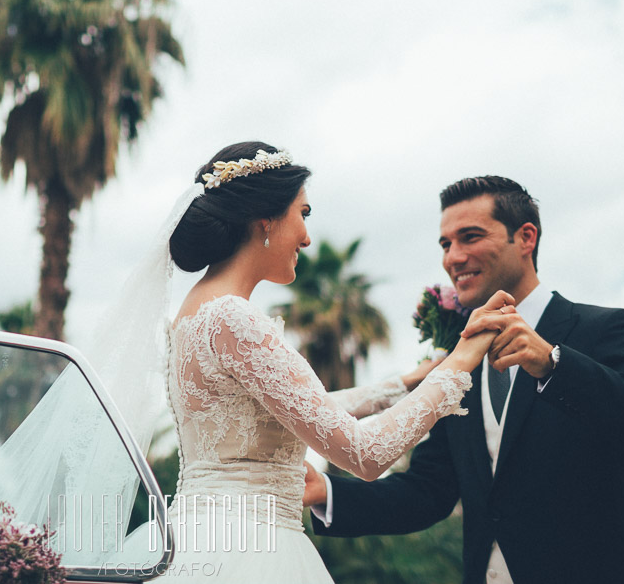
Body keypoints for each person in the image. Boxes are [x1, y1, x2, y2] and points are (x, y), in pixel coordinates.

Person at [305, 175, 624, 584]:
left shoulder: (604, 329)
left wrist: (554, 366)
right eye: (445, 244)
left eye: (470, 237)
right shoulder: (457, 362)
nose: (453, 257)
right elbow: (429, 491)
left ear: (526, 237)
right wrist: (325, 490)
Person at [152, 143, 504, 582]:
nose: (307, 236)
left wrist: (407, 382)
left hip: (195, 539)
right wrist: (464, 359)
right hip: (253, 551)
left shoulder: (195, 312)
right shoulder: (234, 317)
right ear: (266, 219)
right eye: (304, 213)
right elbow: (366, 454)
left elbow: (286, 409)